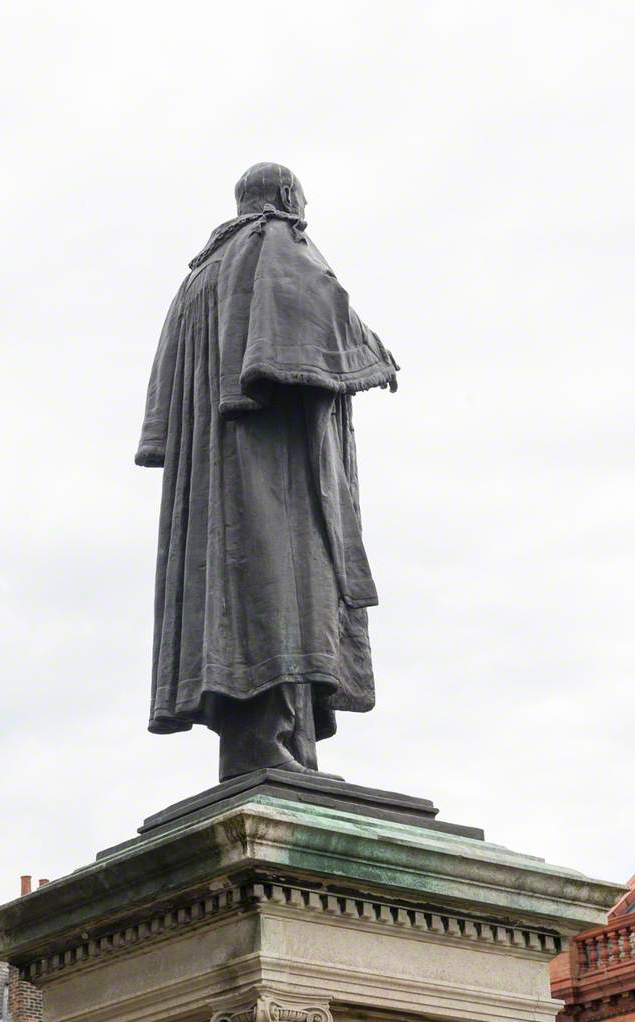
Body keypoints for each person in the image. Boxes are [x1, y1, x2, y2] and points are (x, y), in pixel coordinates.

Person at [136, 162, 398, 781]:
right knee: (283, 593)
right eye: (300, 203)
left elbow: (165, 416)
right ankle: (279, 745)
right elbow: (319, 316)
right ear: (284, 198)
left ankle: (265, 748)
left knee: (239, 603)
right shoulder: (273, 241)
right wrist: (377, 354)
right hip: (268, 470)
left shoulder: (197, 280)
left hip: (212, 489)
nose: (302, 217)